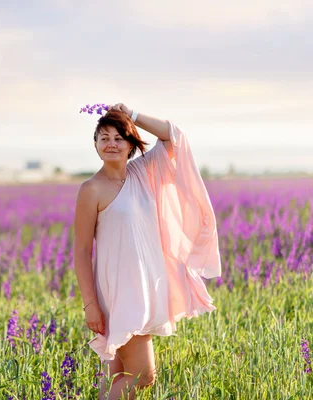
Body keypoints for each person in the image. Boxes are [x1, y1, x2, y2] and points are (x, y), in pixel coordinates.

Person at [73, 103, 222, 400]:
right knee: (143, 374)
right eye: (104, 138)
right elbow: (80, 251)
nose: (111, 144)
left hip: (145, 286)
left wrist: (134, 114)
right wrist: (90, 304)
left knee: (118, 374)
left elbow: (173, 136)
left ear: (131, 144)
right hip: (119, 291)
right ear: (95, 145)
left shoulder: (144, 172)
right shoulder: (91, 189)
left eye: (118, 138)